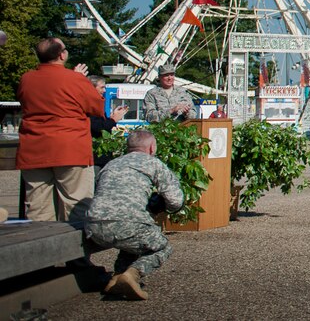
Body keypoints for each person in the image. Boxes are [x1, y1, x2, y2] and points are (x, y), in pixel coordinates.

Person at [84, 129, 184, 301]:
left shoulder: (111, 164)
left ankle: (117, 277)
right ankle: (133, 274)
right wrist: (161, 205)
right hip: (128, 224)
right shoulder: (153, 163)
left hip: (93, 225)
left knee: (134, 240)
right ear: (152, 148)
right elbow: (175, 201)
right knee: (162, 246)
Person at [16, 38, 104, 221]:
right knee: (76, 205)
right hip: (70, 148)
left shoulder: (26, 79)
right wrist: (79, 79)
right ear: (61, 55)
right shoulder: (75, 79)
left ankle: (39, 247)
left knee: (37, 208)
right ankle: (74, 248)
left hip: (34, 148)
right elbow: (96, 108)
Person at [89, 76, 129, 171]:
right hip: (95, 157)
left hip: (101, 157)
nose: (104, 90)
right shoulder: (89, 105)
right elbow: (97, 127)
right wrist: (113, 120)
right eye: (102, 87)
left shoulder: (97, 104)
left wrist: (111, 118)